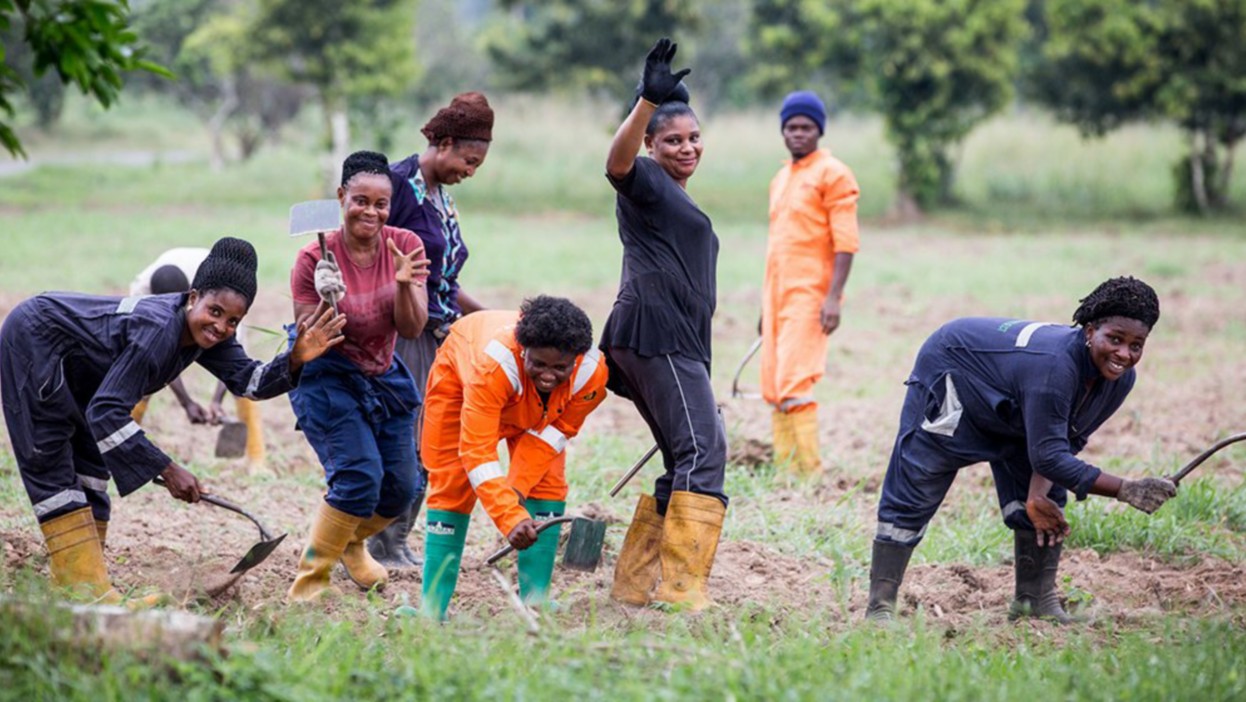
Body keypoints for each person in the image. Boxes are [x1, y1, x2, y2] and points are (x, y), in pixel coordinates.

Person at [0, 237, 343, 604]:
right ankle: (87, 591)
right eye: (215, 312)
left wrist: (295, 359)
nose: (220, 327)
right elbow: (107, 412)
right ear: (192, 297)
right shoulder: (157, 331)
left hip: (82, 368)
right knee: (49, 454)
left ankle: (79, 582)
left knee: (90, 466)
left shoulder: (209, 335)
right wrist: (167, 468)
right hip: (35, 340)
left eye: (233, 321)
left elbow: (248, 381)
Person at [866, 277, 1179, 623]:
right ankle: (880, 607)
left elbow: (1064, 442)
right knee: (919, 480)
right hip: (955, 372)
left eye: (1137, 345)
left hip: (1014, 399)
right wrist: (1125, 489)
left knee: (1046, 500)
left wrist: (1036, 495)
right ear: (1090, 331)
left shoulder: (1118, 380)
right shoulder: (1055, 368)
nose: (1124, 354)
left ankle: (1034, 602)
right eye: (1115, 339)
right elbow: (1049, 457)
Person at [603, 38, 728, 612]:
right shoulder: (647, 178)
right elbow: (617, 165)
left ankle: (634, 587)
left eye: (694, 138)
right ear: (653, 145)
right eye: (673, 141)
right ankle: (682, 590)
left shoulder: (674, 194)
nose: (687, 148)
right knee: (705, 451)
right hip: (657, 336)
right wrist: (646, 105)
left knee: (685, 457)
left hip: (670, 342)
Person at [286, 150, 432, 602]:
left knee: (402, 486)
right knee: (358, 477)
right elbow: (312, 340)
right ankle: (310, 583)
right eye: (360, 201)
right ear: (341, 198)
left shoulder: (406, 245)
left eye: (381, 204)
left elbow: (411, 328)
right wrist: (330, 300)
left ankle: (350, 539)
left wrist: (406, 283)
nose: (371, 212)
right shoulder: (314, 257)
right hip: (329, 372)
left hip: (383, 371)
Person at [419, 296, 608, 620]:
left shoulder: (592, 373)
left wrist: (516, 490)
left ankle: (536, 599)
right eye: (539, 364)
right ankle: (432, 609)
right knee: (451, 484)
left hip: (537, 407)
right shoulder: (492, 366)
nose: (548, 375)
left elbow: (557, 431)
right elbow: (476, 452)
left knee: (547, 481)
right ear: (524, 352)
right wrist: (509, 517)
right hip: (463, 383)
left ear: (576, 360)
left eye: (560, 367)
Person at [367, 92, 495, 570]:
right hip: (405, 333)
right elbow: (372, 258)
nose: (471, 170)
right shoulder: (397, 187)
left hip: (441, 332)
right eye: (468, 159)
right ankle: (379, 539)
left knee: (436, 437)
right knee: (407, 435)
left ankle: (395, 537)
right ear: (442, 143)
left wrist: (490, 318)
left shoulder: (441, 195)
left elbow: (444, 280)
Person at [761, 90, 860, 476]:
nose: (797, 134)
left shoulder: (833, 173)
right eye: (790, 127)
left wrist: (833, 297)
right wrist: (763, 309)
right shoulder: (782, 176)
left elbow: (846, 241)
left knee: (795, 380)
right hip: (776, 295)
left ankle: (809, 474)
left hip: (811, 294)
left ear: (819, 130)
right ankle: (785, 471)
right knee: (772, 383)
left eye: (805, 127)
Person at [128, 248, 267, 469]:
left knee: (245, 379)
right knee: (141, 370)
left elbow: (233, 359)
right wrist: (187, 403)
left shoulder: (223, 293)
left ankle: (257, 458)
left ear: (190, 297)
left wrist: (216, 401)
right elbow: (157, 353)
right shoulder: (141, 291)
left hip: (214, 286)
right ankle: (123, 452)